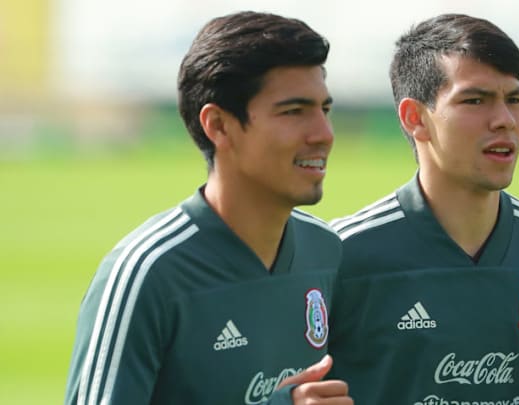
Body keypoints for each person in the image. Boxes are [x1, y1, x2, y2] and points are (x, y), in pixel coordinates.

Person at [64, 11, 353, 405]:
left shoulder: (327, 250)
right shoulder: (147, 273)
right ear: (218, 125)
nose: (323, 134)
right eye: (293, 111)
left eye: (325, 110)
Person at [327, 13, 519, 405]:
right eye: (475, 100)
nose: (505, 121)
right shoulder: (341, 255)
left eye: (514, 100)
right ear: (415, 118)